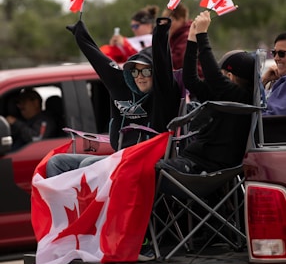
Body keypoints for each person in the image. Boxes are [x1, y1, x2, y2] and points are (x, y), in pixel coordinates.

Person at [46, 16, 181, 175]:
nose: (139, 76)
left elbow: (163, 64)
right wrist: (80, 34)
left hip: (149, 162)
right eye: (135, 71)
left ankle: (96, 200)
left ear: (156, 74)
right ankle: (69, 200)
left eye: (146, 70)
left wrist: (161, 32)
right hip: (122, 158)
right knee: (56, 162)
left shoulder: (164, 93)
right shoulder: (120, 85)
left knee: (88, 164)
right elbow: (98, 60)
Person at [163, 10, 255, 174]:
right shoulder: (222, 94)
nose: (219, 75)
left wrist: (202, 34)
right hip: (192, 159)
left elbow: (213, 77)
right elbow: (191, 80)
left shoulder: (242, 97)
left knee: (152, 171)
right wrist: (191, 40)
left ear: (230, 76)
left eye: (222, 73)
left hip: (209, 166)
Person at [261, 32, 286, 115]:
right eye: (274, 53)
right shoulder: (279, 82)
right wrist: (264, 80)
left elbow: (273, 118)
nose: (276, 58)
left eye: (281, 54)